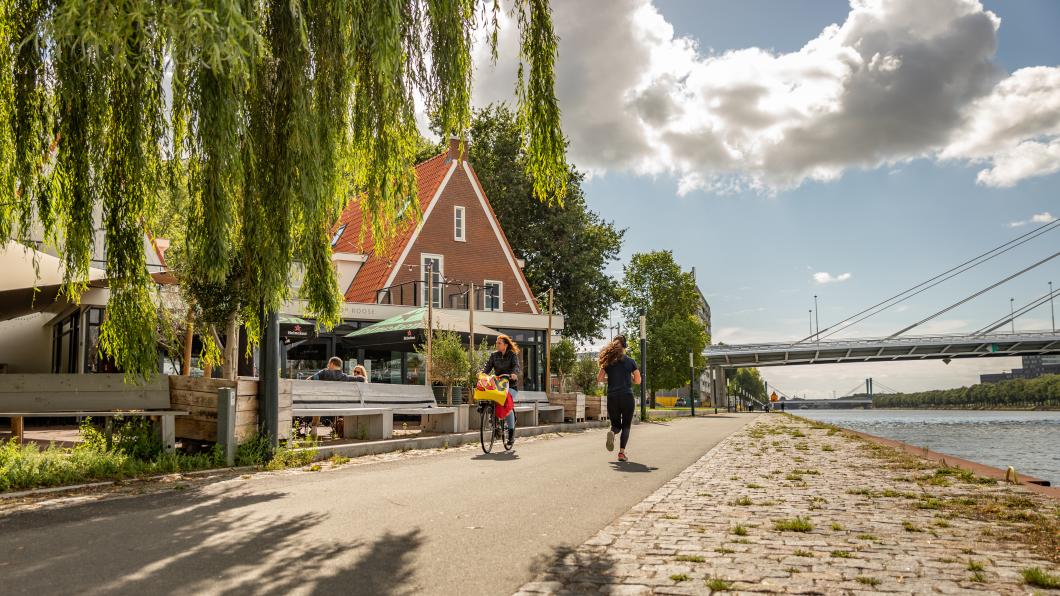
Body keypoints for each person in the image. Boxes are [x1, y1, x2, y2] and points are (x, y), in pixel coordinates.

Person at [597, 335, 641, 462]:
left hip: (612, 397)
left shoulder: (607, 362)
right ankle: (621, 453)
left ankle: (612, 432)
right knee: (626, 426)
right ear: (624, 346)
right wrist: (629, 378)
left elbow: (599, 379)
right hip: (627, 397)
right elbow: (638, 380)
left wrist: (610, 379)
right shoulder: (630, 361)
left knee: (616, 425)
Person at [482, 334, 521, 445]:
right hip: (498, 385)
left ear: (506, 345)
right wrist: (483, 373)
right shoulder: (494, 355)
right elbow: (488, 367)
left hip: (511, 385)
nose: (497, 345)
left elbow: (516, 366)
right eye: (496, 343)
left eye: (499, 343)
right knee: (490, 399)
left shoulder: (512, 355)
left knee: (506, 404)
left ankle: (511, 434)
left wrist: (513, 373)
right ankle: (495, 423)